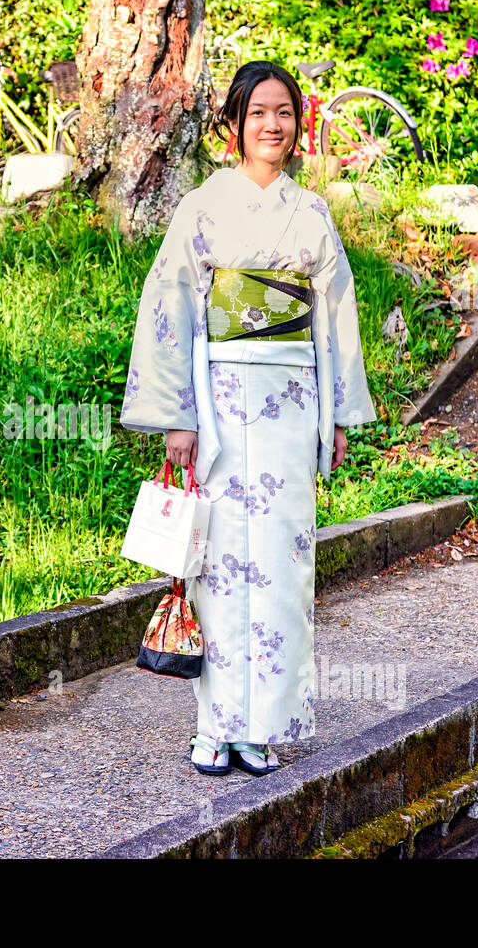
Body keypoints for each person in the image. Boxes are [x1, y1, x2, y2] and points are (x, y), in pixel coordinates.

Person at [119, 61, 377, 776]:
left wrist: (338, 416)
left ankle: (263, 725)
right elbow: (170, 304)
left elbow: (334, 320)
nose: (273, 124)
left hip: (291, 405)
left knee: (284, 566)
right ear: (232, 125)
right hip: (223, 403)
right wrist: (179, 414)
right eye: (258, 112)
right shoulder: (202, 208)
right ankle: (214, 724)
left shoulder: (313, 214)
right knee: (219, 564)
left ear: (300, 123)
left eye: (285, 112)